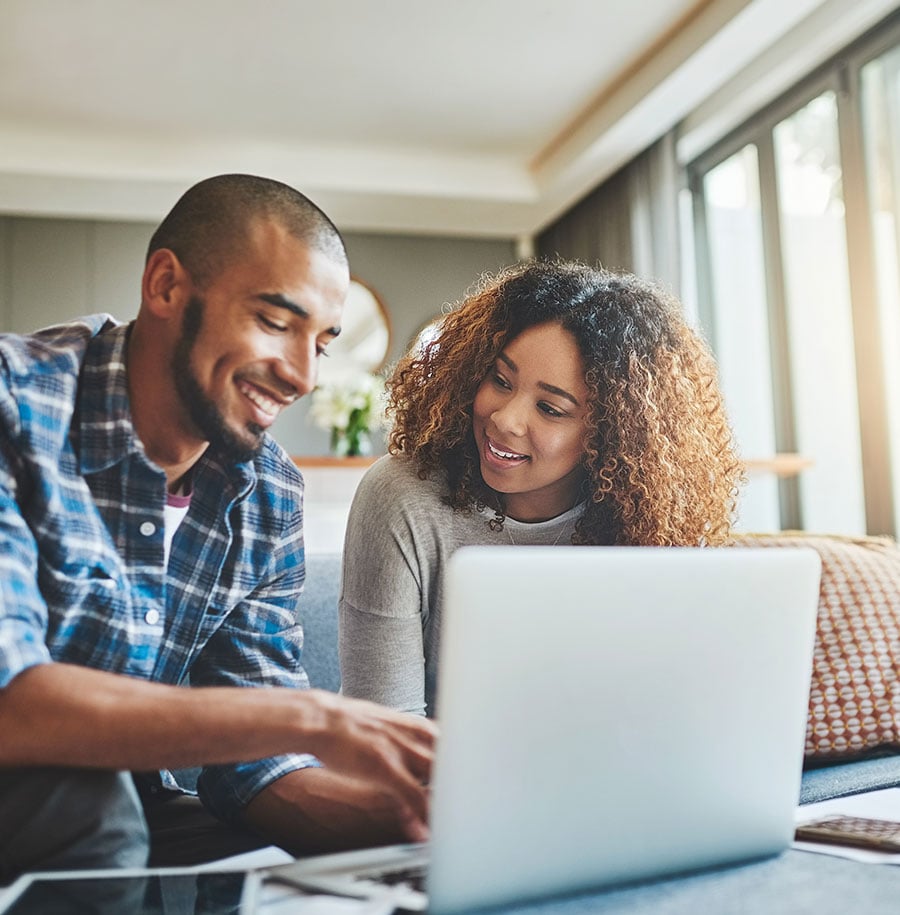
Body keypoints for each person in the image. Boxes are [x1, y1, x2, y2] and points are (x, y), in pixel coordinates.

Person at [0, 174, 437, 883]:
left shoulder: (267, 493)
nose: (302, 376)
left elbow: (255, 772)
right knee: (99, 810)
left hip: (123, 812)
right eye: (274, 322)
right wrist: (314, 718)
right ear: (166, 286)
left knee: (279, 876)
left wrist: (422, 821)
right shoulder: (15, 406)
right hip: (46, 793)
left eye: (321, 343)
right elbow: (10, 700)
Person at [339, 259, 743, 717]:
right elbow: (383, 731)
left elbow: (673, 709)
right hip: (433, 778)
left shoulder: (653, 521)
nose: (505, 420)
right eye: (500, 380)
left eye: (550, 409)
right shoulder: (403, 497)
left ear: (610, 432)